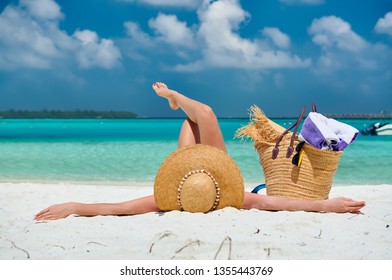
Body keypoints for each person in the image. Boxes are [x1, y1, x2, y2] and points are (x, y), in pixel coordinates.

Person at [34, 82, 365, 221]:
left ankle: (178, 102)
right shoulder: (235, 199)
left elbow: (119, 208)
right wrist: (327, 206)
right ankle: (177, 100)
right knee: (202, 115)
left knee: (197, 121)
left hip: (189, 172)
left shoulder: (169, 200)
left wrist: (74, 205)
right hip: (202, 172)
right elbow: (279, 203)